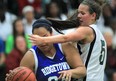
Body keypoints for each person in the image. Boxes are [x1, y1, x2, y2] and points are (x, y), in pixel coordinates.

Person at [29, 0, 107, 81]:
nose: (79, 16)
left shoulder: (87, 30)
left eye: (82, 13)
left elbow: (65, 38)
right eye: (78, 12)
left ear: (93, 15)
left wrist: (43, 40)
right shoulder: (100, 34)